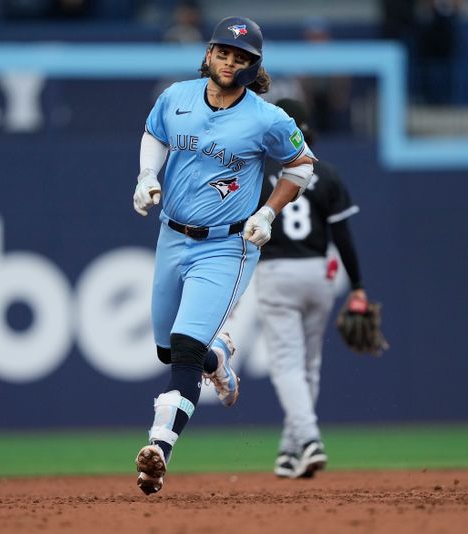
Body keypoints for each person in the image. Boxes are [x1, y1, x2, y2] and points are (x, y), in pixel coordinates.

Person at [131, 16, 317, 495]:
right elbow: (155, 134)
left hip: (227, 243)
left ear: (254, 67)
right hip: (173, 235)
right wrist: (147, 176)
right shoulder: (177, 97)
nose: (230, 62)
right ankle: (220, 360)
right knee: (168, 350)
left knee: (184, 353)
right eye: (224, 52)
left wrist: (269, 213)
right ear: (208, 55)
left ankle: (159, 449)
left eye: (241, 57)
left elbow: (302, 164)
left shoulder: (267, 118)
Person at [254, 98, 368, 479]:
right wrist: (358, 287)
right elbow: (343, 235)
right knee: (309, 366)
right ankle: (289, 451)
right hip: (320, 273)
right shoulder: (326, 172)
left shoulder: (258, 172)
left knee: (287, 364)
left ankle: (309, 440)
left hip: (276, 270)